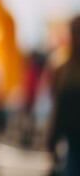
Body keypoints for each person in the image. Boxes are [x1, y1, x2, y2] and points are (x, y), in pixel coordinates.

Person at [48, 15, 80, 176]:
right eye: (75, 30)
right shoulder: (61, 67)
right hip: (69, 138)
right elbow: (56, 105)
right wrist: (52, 138)